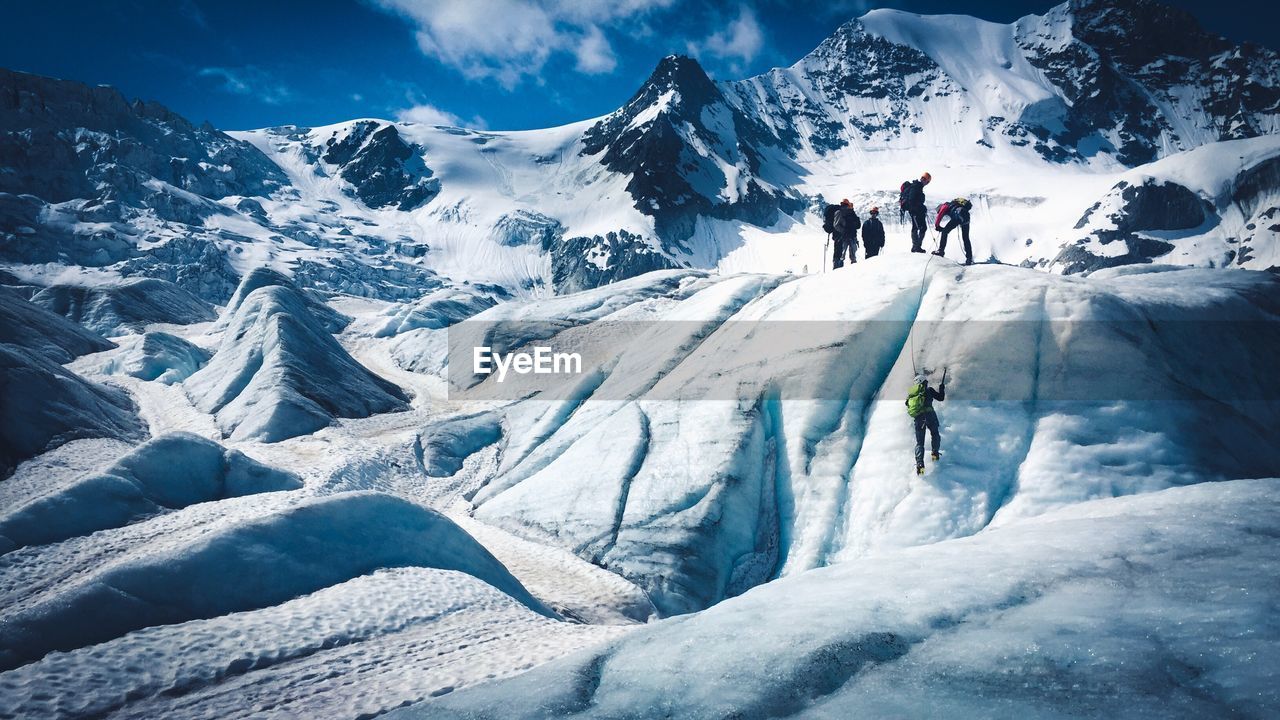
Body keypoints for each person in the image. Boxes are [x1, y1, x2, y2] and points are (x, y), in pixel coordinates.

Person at [905, 372, 945, 475]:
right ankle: (935, 453)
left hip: (919, 418)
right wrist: (942, 388)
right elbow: (941, 398)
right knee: (935, 434)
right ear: (924, 382)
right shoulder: (929, 390)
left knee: (920, 443)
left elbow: (907, 404)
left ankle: (920, 464)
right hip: (930, 415)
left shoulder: (911, 395)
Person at [934, 197, 974, 265]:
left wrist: (937, 225)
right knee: (966, 238)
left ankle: (941, 251)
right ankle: (969, 258)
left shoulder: (944, 206)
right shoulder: (954, 205)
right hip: (966, 216)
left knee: (944, 232)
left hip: (957, 216)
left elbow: (940, 215)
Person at [899, 172, 931, 253]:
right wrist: (919, 208)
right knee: (921, 227)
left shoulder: (917, 186)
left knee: (917, 227)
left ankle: (915, 247)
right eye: (926, 181)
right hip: (915, 211)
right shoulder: (917, 186)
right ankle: (916, 247)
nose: (925, 182)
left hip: (914, 211)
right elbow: (912, 200)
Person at [832, 199, 860, 268]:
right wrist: (844, 231)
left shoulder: (849, 213)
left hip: (848, 236)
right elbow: (836, 225)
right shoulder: (840, 212)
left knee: (845, 255)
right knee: (842, 255)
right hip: (843, 237)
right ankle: (838, 268)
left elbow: (856, 225)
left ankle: (839, 268)